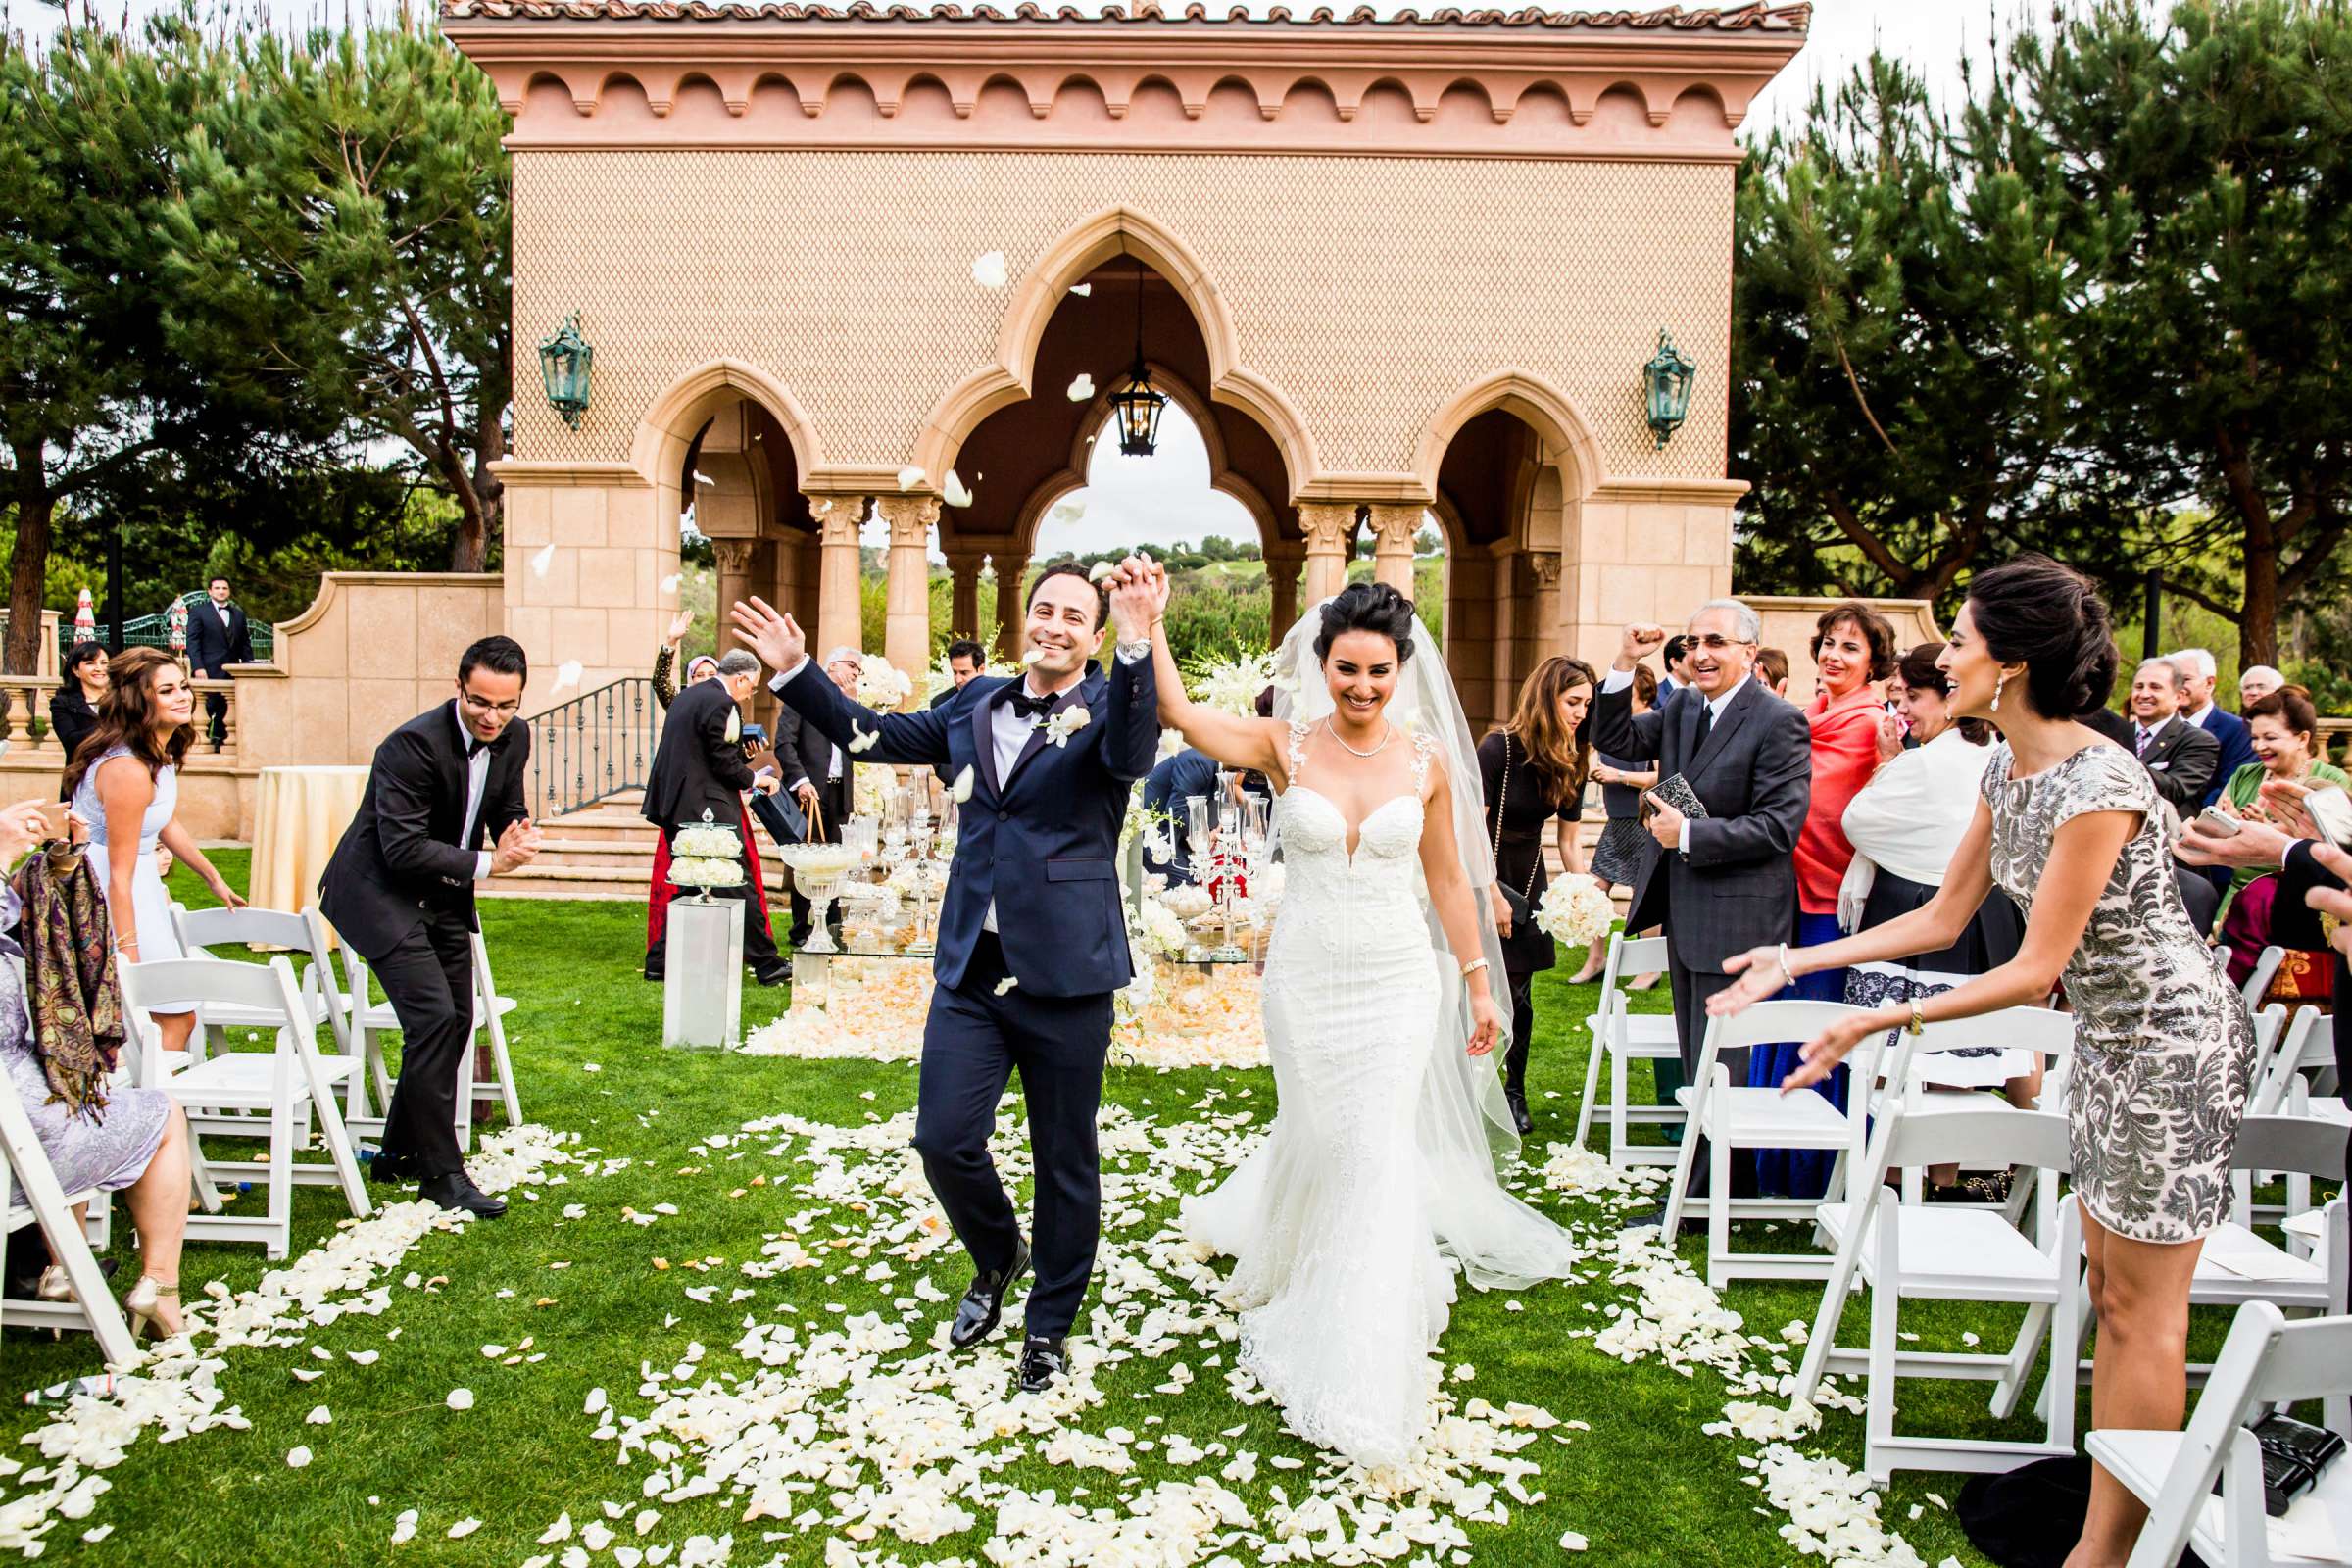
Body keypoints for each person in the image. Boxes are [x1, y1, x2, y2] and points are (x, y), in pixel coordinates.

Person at [1710, 556, 2255, 1568]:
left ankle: (2107, 1552)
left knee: (2143, 1310)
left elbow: (2031, 967)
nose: (1943, 654)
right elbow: (1940, 916)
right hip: (2108, 1038)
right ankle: (2111, 1511)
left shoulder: (2103, 780)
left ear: (2008, 663)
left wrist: (1874, 1025)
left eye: (1958, 638)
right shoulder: (2006, 766)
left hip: (2175, 1048)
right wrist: (1802, 957)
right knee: (2109, 1279)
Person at [1132, 574, 1578, 1470]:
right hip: (1303, 983)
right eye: (1346, 670)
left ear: (1401, 671)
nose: (1362, 686)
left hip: (1394, 981)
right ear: (1321, 664)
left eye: (1378, 671)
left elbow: (1451, 884)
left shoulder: (1427, 765)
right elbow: (1177, 714)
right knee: (1324, 1133)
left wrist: (1480, 986)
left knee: (1374, 1147)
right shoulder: (1281, 744)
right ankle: (1296, 1256)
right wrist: (1147, 628)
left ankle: (1364, 1348)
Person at [730, 561, 1158, 1396]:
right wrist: (794, 671)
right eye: (1044, 609)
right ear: (1026, 620)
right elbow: (869, 734)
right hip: (973, 968)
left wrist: (1141, 644)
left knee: (1064, 1158)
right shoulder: (977, 703)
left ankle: (1046, 1327)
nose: (1056, 625)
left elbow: (1135, 755)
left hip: (1068, 973)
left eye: (1077, 616)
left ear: (1095, 635)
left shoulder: (1111, 706)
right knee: (943, 1139)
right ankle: (1000, 1254)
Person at [1589, 600, 1811, 1215]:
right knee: (1697, 1059)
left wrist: (1685, 836)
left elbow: (1778, 828)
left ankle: (1707, 1195)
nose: (1701, 653)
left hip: (1741, 917)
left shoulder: (1779, 721)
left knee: (1725, 1064)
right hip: (1686, 909)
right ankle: (1705, 1186)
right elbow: (1614, 738)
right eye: (1693, 642)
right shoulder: (1682, 706)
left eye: (1716, 641)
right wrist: (1622, 663)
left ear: (1749, 652)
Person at [318, 636, 543, 1218]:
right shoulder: (410, 746)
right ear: (459, 687)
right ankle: (442, 1176)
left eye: (506, 705)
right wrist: (491, 864)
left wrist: (514, 831)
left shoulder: (513, 737)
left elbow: (502, 803)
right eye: (480, 702)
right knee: (433, 1018)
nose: (492, 717)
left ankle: (398, 1152)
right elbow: (401, 849)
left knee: (458, 1019)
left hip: (441, 893)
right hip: (376, 892)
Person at [1836, 642, 2031, 1200]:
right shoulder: (1999, 754)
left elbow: (1860, 820)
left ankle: (1902, 1173)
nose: (1906, 712)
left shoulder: (1925, 762)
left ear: (1950, 699)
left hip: (1921, 909)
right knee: (1953, 1058)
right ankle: (1944, 1174)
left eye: (1913, 698)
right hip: (1988, 912)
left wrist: (1887, 766)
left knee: (1908, 1052)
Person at [0, 799, 193, 1339]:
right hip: (15, 1141)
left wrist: (57, 864)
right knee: (155, 1112)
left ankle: (63, 1266)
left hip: (23, 1113)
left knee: (76, 1087)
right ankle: (159, 1285)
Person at [1752, 603, 1893, 1199]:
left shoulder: (1872, 725)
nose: (1835, 655)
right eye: (1830, 643)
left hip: (1832, 900)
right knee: (1773, 1024)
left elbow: (1871, 807)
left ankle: (1810, 1171)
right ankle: (1764, 1159)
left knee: (1816, 1027)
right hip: (1781, 889)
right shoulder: (1805, 715)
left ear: (1873, 663)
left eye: (1851, 648)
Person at [65, 648, 246, 1061]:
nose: (183, 695)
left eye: (182, 686)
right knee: (167, 1012)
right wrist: (129, 955)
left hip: (139, 888)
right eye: (167, 690)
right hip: (111, 893)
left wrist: (211, 876)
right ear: (139, 701)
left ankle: (145, 1103)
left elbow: (164, 820)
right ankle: (147, 1106)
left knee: (174, 1013)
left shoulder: (154, 752)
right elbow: (119, 875)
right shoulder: (127, 769)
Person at [2180, 797, 2352, 1173]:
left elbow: (2238, 967)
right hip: (2319, 1030)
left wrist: (2287, 851)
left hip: (2269, 1027)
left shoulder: (2261, 893)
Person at [1479, 656, 1596, 1136]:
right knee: (1472, 991)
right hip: (1481, 872)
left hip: (1530, 880)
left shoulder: (1574, 756)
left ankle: (1513, 1090)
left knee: (1520, 998)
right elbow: (1469, 829)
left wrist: (1582, 893)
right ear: (1547, 697)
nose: (1580, 713)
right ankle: (1462, 1088)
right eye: (1573, 702)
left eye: (1587, 704)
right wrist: (1488, 893)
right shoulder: (1498, 748)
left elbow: (1569, 840)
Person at [641, 650, 789, 987]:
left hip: (676, 801)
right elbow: (720, 760)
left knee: (692, 881)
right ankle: (767, 964)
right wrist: (755, 779)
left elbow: (704, 750)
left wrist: (741, 756)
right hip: (704, 805)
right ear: (741, 679)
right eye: (752, 686)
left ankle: (659, 961)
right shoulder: (723, 703)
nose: (750, 693)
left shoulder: (689, 696)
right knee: (736, 878)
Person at [2210, 687, 2347, 991]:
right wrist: (2230, 823)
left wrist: (2269, 832)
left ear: (2302, 739)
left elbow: (2332, 839)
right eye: (2255, 738)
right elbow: (2218, 820)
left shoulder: (2331, 780)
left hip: (2293, 895)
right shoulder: (2245, 774)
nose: (2259, 746)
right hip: (2240, 889)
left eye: (2270, 738)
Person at [770, 647, 862, 950]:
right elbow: (784, 743)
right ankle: (800, 927)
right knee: (806, 859)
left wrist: (854, 706)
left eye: (859, 671)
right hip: (808, 790)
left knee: (837, 858)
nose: (855, 674)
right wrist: (801, 781)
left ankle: (833, 924)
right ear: (833, 665)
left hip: (839, 790)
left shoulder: (850, 702)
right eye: (852, 666)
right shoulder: (804, 695)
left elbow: (860, 744)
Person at [1580, 663, 1659, 987]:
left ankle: (1650, 967)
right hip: (1616, 823)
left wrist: (1620, 777)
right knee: (1595, 891)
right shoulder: (1617, 729)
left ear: (1642, 695)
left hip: (1646, 822)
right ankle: (1595, 959)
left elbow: (1663, 775)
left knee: (1645, 894)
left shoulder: (1655, 724)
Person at [2125, 657, 2219, 815]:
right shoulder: (2114, 733)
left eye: (2155, 687)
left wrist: (2121, 759)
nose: (2145, 694)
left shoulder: (2199, 741)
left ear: (2179, 696)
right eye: (2139, 687)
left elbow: (2176, 791)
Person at [2169, 648, 2256, 808]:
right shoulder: (2159, 728)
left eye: (2185, 679)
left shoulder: (2238, 730)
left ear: (2209, 683)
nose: (2178, 687)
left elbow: (2229, 786)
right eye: (2172, 680)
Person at [182, 576, 252, 749]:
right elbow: (193, 642)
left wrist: (250, 667)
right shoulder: (199, 612)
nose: (221, 591)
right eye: (217, 588)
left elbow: (245, 643)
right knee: (207, 707)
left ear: (229, 591)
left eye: (224, 588)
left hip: (232, 671)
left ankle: (220, 740)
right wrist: (198, 667)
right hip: (208, 669)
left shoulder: (238, 614)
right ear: (210, 591)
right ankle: (197, 742)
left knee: (226, 710)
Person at [49, 642, 108, 796]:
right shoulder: (62, 703)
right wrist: (112, 725)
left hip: (122, 779)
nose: (99, 668)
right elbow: (71, 741)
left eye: (104, 663)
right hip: (81, 782)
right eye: (90, 663)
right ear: (76, 670)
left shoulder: (125, 701)